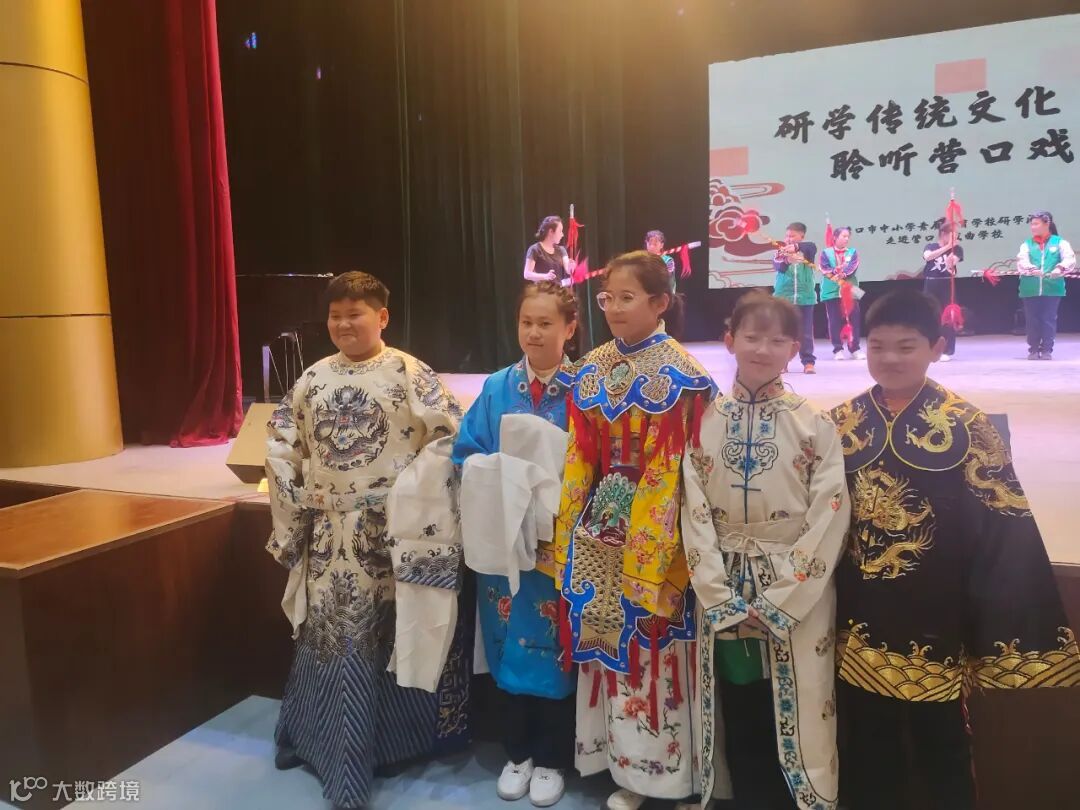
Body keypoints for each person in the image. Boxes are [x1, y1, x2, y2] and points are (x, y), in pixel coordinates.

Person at [829, 289, 1080, 810]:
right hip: (855, 617)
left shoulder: (967, 424)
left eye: (906, 347)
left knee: (939, 743)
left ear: (937, 347)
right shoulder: (840, 423)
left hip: (935, 617)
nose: (890, 359)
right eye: (878, 347)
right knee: (865, 744)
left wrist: (994, 619)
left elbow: (1003, 525)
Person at [265, 271, 468, 810]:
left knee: (389, 638)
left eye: (354, 314)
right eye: (335, 316)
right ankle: (318, 744)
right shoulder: (312, 377)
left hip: (391, 534)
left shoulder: (409, 372)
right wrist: (296, 509)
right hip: (328, 537)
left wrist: (409, 497)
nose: (343, 324)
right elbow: (280, 444)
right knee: (330, 639)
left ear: (382, 317)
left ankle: (392, 746)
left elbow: (449, 436)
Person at [550, 251, 717, 810]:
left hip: (662, 530)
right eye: (606, 298)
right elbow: (579, 455)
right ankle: (620, 767)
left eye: (627, 297)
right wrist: (568, 528)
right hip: (599, 523)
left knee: (658, 649)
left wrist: (655, 544)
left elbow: (681, 467)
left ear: (660, 302)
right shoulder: (590, 367)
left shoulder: (684, 376)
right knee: (606, 647)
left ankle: (672, 776)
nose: (614, 308)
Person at [682, 291, 849, 810]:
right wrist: (718, 595)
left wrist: (781, 599)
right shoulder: (702, 421)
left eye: (777, 340)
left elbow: (830, 513)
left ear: (794, 348)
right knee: (738, 699)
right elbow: (693, 511)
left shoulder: (815, 424)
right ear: (729, 340)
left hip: (794, 585)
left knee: (799, 699)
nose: (762, 349)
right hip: (724, 584)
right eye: (752, 337)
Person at [452, 282, 580, 807]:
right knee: (506, 641)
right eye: (527, 322)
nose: (534, 333)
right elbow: (466, 452)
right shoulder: (498, 386)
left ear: (570, 328)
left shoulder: (584, 388)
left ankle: (552, 756)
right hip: (505, 539)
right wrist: (504, 477)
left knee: (554, 648)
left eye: (546, 323)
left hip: (559, 546)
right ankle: (517, 751)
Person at [1017, 210, 1075, 360]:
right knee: (1032, 320)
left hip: (1052, 288)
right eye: (1032, 224)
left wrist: (1059, 268)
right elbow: (1022, 260)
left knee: (1048, 319)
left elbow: (1069, 258)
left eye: (1036, 224)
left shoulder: (1060, 242)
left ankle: (1047, 349)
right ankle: (1033, 349)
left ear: (1046, 224)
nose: (1033, 227)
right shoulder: (1027, 244)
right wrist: (1031, 269)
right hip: (1030, 288)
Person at [771, 222, 819, 374]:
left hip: (805, 298)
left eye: (792, 236)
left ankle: (808, 362)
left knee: (805, 332)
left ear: (801, 236)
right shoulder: (781, 252)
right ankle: (782, 362)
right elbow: (778, 266)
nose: (788, 239)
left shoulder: (808, 251)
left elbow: (812, 246)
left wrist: (796, 248)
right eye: (787, 236)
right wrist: (787, 260)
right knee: (783, 332)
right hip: (783, 299)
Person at [818, 227, 864, 361]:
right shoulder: (826, 253)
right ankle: (838, 349)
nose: (846, 239)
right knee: (834, 321)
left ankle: (855, 348)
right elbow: (824, 268)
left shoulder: (852, 252)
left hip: (850, 290)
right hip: (831, 291)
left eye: (848, 236)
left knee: (854, 320)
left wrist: (843, 273)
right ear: (835, 237)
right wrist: (834, 271)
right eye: (844, 236)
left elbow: (853, 267)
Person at [921, 222, 964, 361]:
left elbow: (952, 262)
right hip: (931, 284)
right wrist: (947, 247)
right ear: (943, 234)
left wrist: (951, 254)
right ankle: (930, 348)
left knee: (949, 317)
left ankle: (946, 350)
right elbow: (928, 257)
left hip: (947, 284)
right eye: (953, 234)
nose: (956, 237)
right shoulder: (930, 246)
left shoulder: (957, 249)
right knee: (930, 316)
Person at [525, 216, 573, 283]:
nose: (562, 235)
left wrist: (571, 266)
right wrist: (545, 276)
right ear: (551, 231)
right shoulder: (535, 249)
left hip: (557, 289)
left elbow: (568, 270)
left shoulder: (561, 250)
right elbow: (527, 274)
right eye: (560, 231)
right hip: (542, 288)